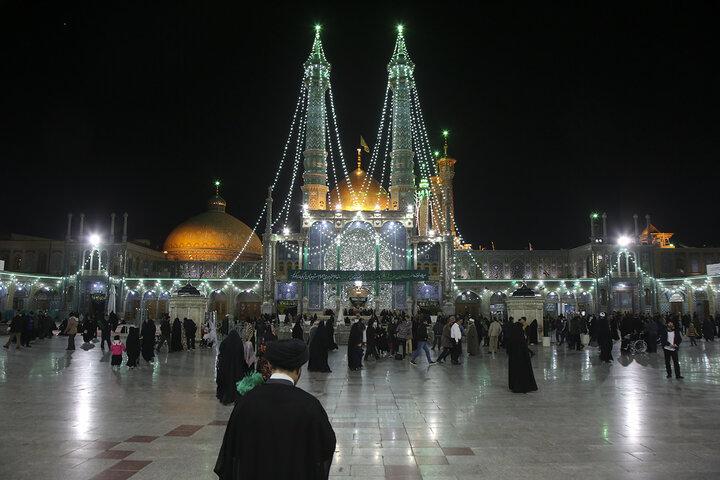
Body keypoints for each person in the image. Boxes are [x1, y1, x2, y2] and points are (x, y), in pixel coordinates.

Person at [214, 339, 336, 479]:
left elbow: (230, 452)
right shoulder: (310, 406)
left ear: (270, 365)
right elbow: (325, 449)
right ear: (298, 369)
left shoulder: (245, 403)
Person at [216, 330, 249, 405]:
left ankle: (225, 396)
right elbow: (242, 354)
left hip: (226, 366)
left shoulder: (225, 342)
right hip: (237, 366)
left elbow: (221, 350)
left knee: (226, 380)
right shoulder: (239, 343)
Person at [507, 318, 538, 393]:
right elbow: (525, 350)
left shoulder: (511, 338)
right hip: (523, 361)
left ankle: (515, 385)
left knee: (515, 373)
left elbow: (508, 350)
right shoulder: (521, 339)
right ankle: (524, 386)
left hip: (514, 360)